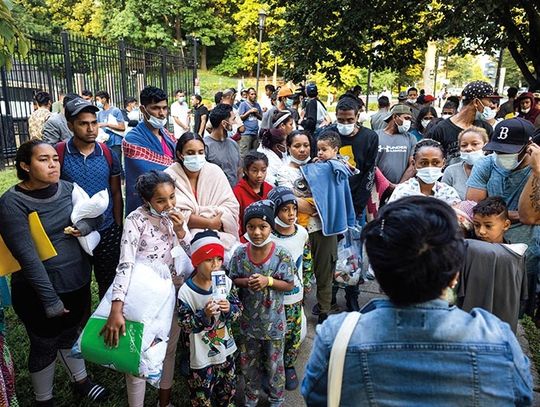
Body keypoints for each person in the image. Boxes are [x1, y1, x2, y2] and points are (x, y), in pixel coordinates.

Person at [302, 195, 533, 406]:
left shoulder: (337, 337)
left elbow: (315, 398)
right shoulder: (500, 341)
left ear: (379, 276)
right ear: (455, 276)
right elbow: (521, 399)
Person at [0, 140, 109, 406]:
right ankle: (44, 398)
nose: (52, 164)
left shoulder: (69, 189)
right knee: (44, 344)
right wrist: (49, 299)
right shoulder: (12, 203)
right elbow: (27, 257)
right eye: (43, 159)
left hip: (77, 282)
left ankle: (81, 381)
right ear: (25, 166)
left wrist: (83, 226)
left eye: (54, 159)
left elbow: (96, 215)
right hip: (39, 292)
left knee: (70, 335)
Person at [101, 170, 190, 407]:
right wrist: (116, 308)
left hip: (172, 293)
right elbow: (126, 264)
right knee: (137, 354)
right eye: (161, 200)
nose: (169, 204)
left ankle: (165, 401)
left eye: (172, 197)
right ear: (146, 200)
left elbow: (191, 254)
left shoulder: (177, 219)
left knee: (168, 349)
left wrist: (181, 231)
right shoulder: (135, 221)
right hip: (143, 298)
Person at [467, 118, 540, 316]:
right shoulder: (486, 164)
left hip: (525, 254)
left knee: (512, 308)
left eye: (509, 152)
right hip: (486, 251)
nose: (502, 156)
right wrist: (508, 215)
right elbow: (476, 207)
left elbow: (530, 217)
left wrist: (536, 171)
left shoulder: (537, 169)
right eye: (498, 150)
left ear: (529, 147)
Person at [229, 200, 295, 407]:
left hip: (274, 323)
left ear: (271, 228)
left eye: (263, 227)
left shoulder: (282, 254)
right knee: (249, 364)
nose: (257, 232)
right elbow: (233, 278)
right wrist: (246, 282)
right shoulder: (240, 254)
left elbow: (289, 284)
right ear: (245, 227)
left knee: (276, 364)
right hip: (248, 324)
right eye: (251, 227)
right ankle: (251, 397)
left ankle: (276, 399)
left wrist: (269, 281)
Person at [58, 98, 123, 298]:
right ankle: (81, 325)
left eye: (93, 122)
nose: (90, 128)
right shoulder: (59, 153)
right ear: (71, 126)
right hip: (74, 234)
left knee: (109, 283)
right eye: (83, 123)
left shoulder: (107, 153)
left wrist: (118, 225)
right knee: (79, 287)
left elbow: (115, 192)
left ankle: (105, 321)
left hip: (107, 230)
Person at [276, 131, 337, 324]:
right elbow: (289, 201)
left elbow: (335, 194)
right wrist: (319, 204)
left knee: (325, 271)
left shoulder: (322, 166)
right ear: (288, 147)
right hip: (296, 231)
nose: (302, 150)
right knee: (297, 272)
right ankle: (297, 313)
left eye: (306, 145)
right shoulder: (283, 172)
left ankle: (324, 312)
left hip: (323, 228)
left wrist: (308, 203)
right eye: (297, 146)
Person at [177, 230, 242, 407]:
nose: (215, 265)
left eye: (219, 259)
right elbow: (184, 324)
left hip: (225, 351)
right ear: (197, 261)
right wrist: (203, 315)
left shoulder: (226, 283)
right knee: (201, 397)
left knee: (228, 392)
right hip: (199, 357)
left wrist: (230, 309)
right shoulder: (186, 292)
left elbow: (238, 311)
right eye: (209, 259)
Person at [267, 186, 311, 391]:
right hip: (274, 298)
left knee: (294, 334)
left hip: (296, 296)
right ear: (274, 212)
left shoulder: (302, 233)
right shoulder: (268, 238)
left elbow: (307, 258)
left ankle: (289, 364)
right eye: (285, 210)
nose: (291, 214)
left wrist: (308, 280)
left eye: (293, 208)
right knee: (275, 334)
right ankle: (270, 368)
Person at [165, 133, 240, 251]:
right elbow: (170, 212)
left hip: (219, 235)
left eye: (200, 152)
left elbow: (231, 206)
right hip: (181, 239)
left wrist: (198, 216)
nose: (196, 156)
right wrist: (209, 223)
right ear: (180, 154)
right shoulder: (169, 176)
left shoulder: (215, 172)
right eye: (190, 153)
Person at [123, 86, 177, 214]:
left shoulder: (168, 137)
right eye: (156, 108)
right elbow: (152, 174)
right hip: (145, 209)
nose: (162, 113)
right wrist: (178, 166)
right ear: (143, 109)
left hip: (169, 206)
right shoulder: (132, 140)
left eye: (164, 108)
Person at [324, 98, 379, 216]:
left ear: (357, 116)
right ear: (336, 116)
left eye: (350, 120)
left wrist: (357, 206)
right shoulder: (326, 135)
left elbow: (369, 172)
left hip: (357, 200)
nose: (345, 124)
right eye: (341, 120)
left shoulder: (370, 137)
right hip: (331, 200)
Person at [427, 81, 494, 164]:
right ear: (476, 102)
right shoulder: (440, 130)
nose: (492, 105)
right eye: (489, 100)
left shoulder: (486, 128)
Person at [389, 139, 461, 205]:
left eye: (435, 163)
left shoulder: (448, 193)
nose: (430, 167)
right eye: (424, 163)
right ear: (414, 164)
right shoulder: (403, 191)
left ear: (443, 163)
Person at [233, 151, 273, 240]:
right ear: (246, 171)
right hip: (247, 239)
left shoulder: (270, 190)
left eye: (263, 170)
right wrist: (242, 240)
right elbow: (236, 221)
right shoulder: (238, 192)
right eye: (254, 171)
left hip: (269, 238)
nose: (259, 175)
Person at [442, 127, 488, 200]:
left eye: (475, 144)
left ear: (485, 146)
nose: (468, 149)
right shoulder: (451, 171)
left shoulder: (493, 170)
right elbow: (443, 198)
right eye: (464, 145)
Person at [375, 104, 417, 184]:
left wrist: (398, 187)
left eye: (410, 119)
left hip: (402, 188)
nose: (408, 122)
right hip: (378, 187)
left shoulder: (411, 138)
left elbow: (413, 166)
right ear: (394, 117)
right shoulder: (376, 136)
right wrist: (386, 185)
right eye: (406, 118)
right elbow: (372, 165)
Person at [204, 104, 242, 187]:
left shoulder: (233, 144)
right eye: (233, 119)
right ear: (224, 124)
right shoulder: (205, 147)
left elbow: (239, 170)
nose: (235, 123)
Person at [95, 90, 126, 161]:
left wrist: (107, 124)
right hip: (105, 142)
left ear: (104, 99)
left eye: (98, 99)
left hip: (115, 142)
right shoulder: (99, 113)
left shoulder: (115, 111)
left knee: (117, 163)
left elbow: (122, 127)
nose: (97, 102)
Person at [238, 88, 263, 157]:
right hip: (246, 133)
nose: (254, 96)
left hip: (255, 133)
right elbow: (240, 117)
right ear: (248, 95)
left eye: (255, 94)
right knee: (244, 155)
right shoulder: (243, 104)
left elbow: (261, 118)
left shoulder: (257, 105)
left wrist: (257, 114)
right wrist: (249, 112)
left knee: (254, 156)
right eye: (252, 94)